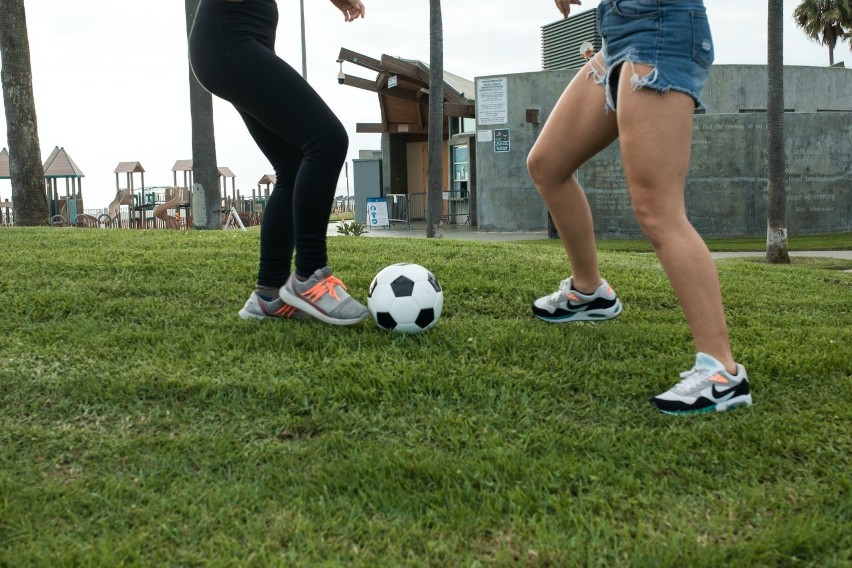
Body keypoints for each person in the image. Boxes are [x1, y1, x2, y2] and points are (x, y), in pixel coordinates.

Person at [528, 0, 752, 414]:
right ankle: (590, 291)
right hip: (618, 33)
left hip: (660, 30)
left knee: (656, 209)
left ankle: (723, 372)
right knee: (547, 164)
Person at [189, 0, 369, 326]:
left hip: (236, 43)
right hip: (228, 41)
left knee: (294, 164)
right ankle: (310, 276)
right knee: (327, 140)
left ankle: (268, 295)